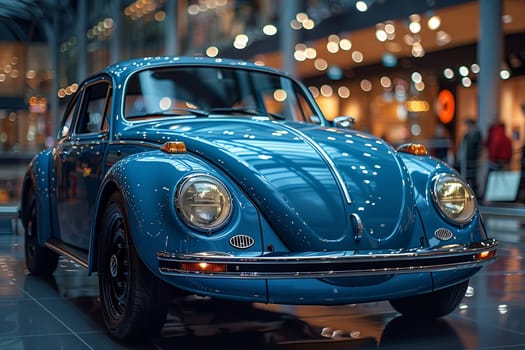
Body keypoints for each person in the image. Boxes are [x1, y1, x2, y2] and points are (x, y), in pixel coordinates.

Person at [458, 118, 482, 195]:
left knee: (473, 177)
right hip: (466, 160)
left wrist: (477, 155)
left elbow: (479, 147)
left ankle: (475, 193)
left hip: (474, 159)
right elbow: (462, 147)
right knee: (467, 177)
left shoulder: (477, 135)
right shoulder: (466, 136)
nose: (468, 128)